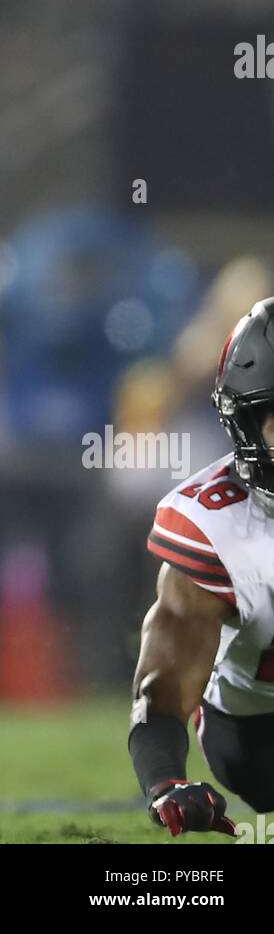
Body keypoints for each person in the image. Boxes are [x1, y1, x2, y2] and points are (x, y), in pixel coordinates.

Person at [129, 296, 274, 837]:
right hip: (259, 732)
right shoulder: (214, 527)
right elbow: (160, 693)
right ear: (247, 422)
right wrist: (166, 782)